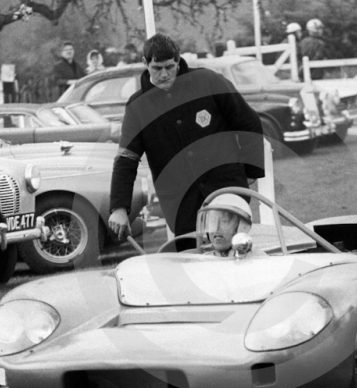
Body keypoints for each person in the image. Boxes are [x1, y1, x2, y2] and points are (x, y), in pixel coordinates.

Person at [107, 34, 264, 249]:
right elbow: (126, 159)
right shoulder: (137, 107)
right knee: (192, 268)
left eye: (170, 67)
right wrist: (119, 207)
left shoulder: (209, 81)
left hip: (227, 192)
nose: (164, 74)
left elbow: (249, 122)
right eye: (157, 68)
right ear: (145, 64)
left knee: (236, 256)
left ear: (179, 61)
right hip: (182, 206)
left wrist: (250, 171)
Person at [196, 193, 259, 257]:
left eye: (224, 221)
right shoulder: (202, 260)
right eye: (212, 222)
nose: (216, 228)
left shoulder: (256, 259)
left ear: (242, 227)